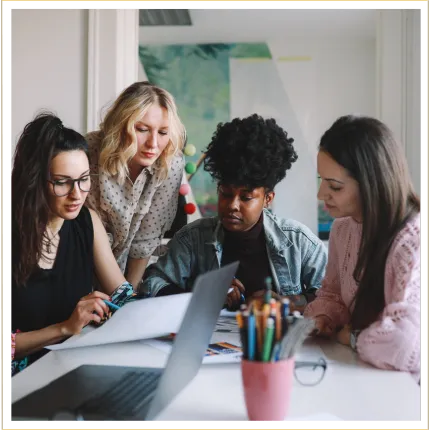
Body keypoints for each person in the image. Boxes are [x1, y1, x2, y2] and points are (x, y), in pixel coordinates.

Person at [140, 114, 328, 311]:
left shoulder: (297, 241)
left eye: (246, 198)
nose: (232, 205)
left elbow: (334, 295)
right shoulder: (192, 239)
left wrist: (286, 303)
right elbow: (152, 285)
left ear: (268, 199)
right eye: (225, 194)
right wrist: (204, 294)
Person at [9, 113, 135, 376]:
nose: (77, 194)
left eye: (84, 179)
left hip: (69, 368)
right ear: (35, 181)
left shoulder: (87, 222)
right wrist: (66, 327)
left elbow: (123, 295)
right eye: (62, 182)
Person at [304, 115, 420, 379]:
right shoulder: (343, 228)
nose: (321, 194)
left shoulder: (414, 241)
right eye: (321, 180)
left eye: (334, 186)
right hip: (360, 373)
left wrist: (353, 338)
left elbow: (409, 343)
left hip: (407, 394)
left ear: (371, 184)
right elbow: (331, 295)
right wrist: (324, 317)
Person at [86, 82, 187, 290]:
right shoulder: (88, 152)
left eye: (163, 132)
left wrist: (129, 298)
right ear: (121, 125)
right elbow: (92, 234)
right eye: (142, 129)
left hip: (123, 277)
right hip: (80, 269)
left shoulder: (170, 162)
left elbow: (145, 241)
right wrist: (120, 296)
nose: (153, 143)